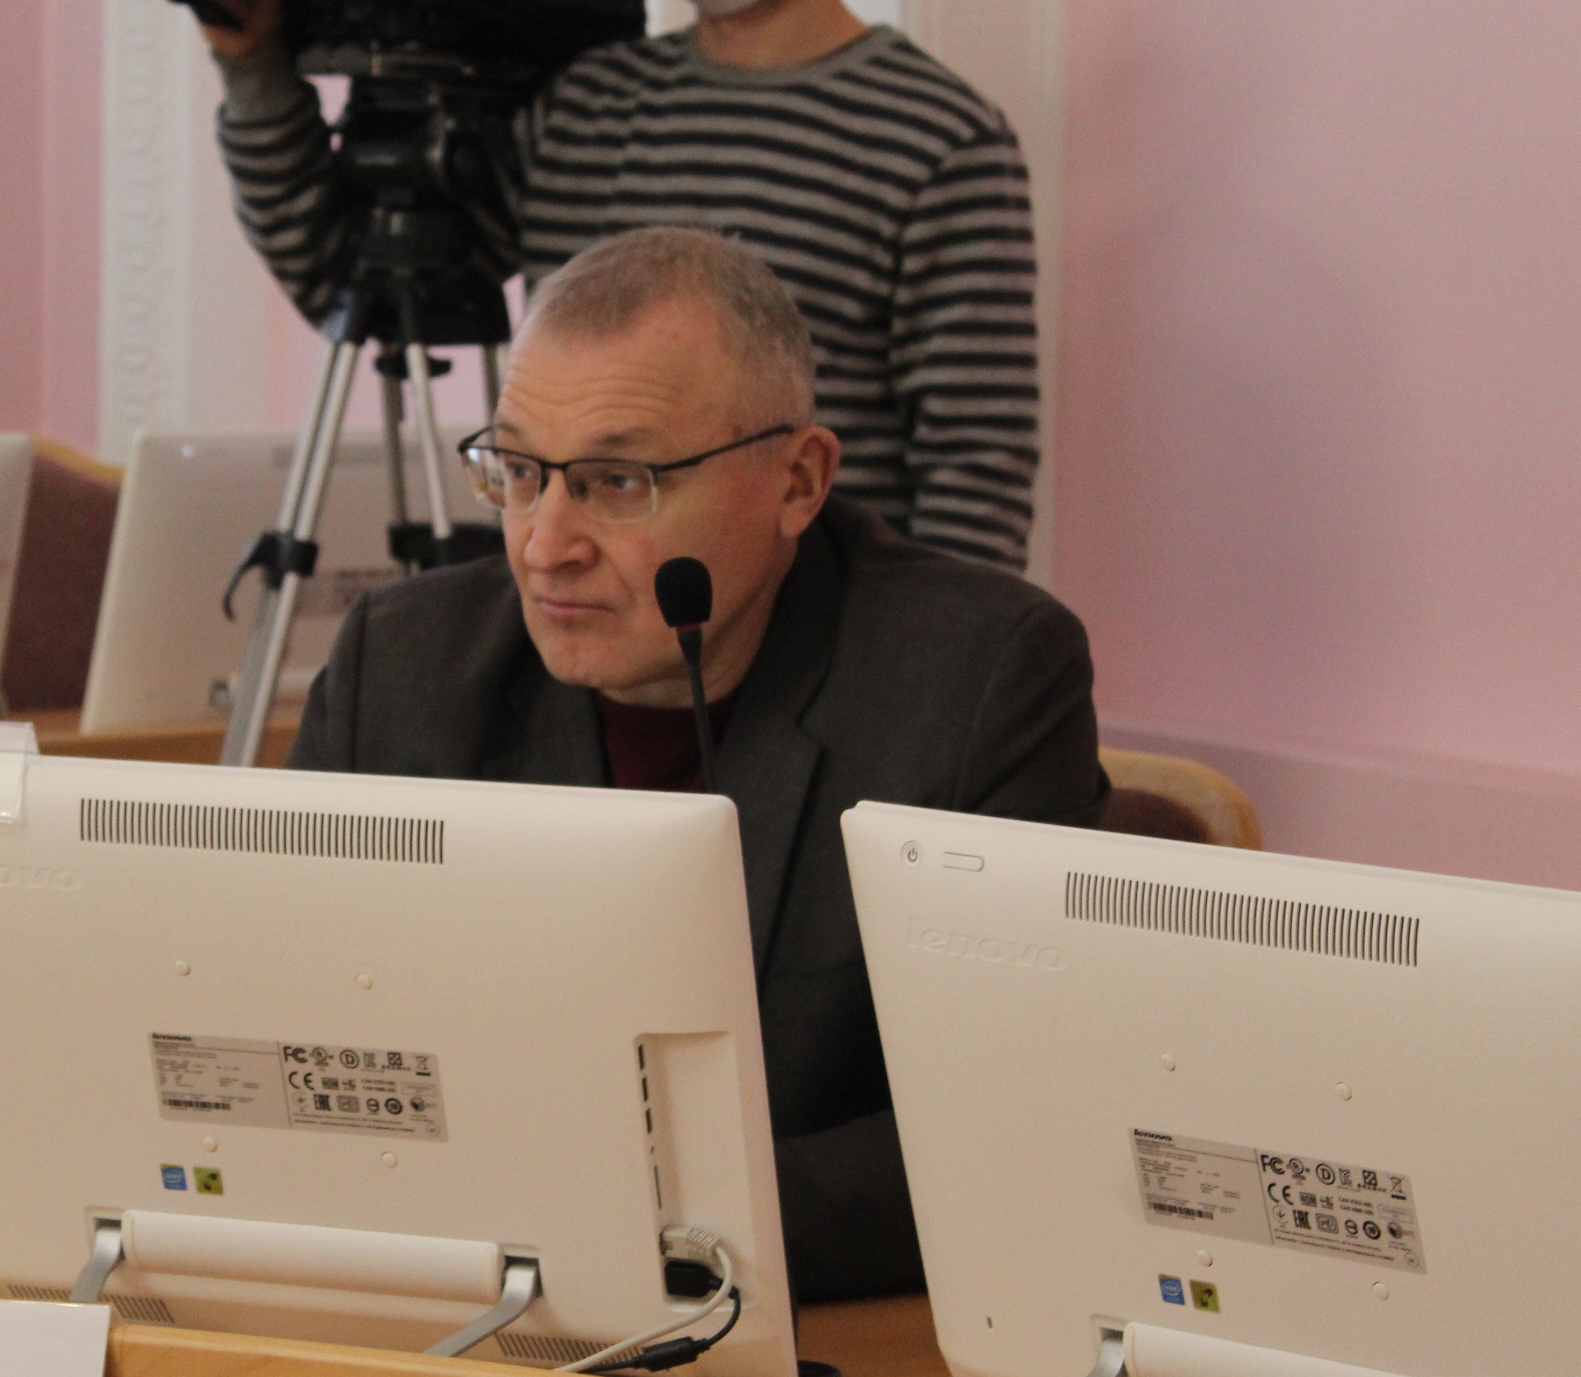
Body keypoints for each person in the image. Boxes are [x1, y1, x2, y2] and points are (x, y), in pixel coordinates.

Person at [290, 228, 1105, 1302]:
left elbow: (1015, 1126)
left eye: (618, 482)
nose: (544, 544)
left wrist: (622, 1223)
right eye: (520, 473)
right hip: (449, 1297)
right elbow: (287, 1035)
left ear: (798, 482)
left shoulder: (974, 680)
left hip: (821, 1326)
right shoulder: (401, 666)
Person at [197, 0, 1041, 571]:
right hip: (575, 638)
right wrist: (252, 65)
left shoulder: (941, 139)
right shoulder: (585, 106)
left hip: (816, 663)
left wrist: (916, 694)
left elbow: (976, 477)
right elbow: (350, 281)